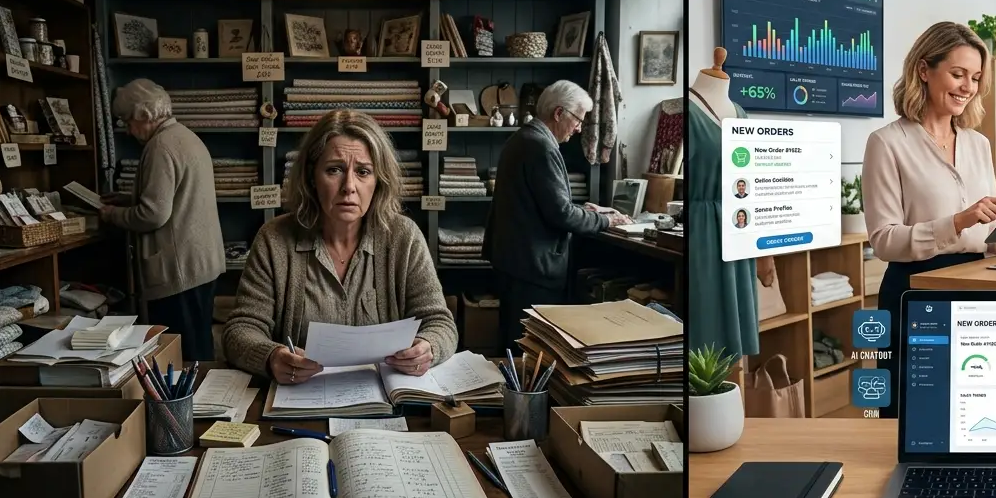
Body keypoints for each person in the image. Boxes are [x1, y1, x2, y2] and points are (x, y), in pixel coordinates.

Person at [863, 21, 996, 418]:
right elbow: (883, 240)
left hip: (977, 289)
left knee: (977, 414)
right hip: (915, 294)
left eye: (975, 77)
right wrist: (956, 221)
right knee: (914, 416)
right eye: (957, 74)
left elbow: (986, 239)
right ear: (923, 70)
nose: (967, 86)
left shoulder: (979, 143)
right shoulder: (886, 143)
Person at [223, 110, 457, 384]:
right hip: (299, 400)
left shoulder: (403, 237)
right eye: (334, 169)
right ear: (312, 177)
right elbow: (240, 330)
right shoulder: (274, 239)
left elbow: (440, 323)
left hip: (385, 401)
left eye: (363, 172)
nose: (349, 186)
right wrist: (271, 356)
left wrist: (428, 346)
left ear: (378, 180)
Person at [484, 80, 632, 350]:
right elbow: (561, 214)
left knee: (514, 341)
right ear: (558, 113)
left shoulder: (522, 138)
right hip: (533, 266)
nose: (578, 128)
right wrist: (607, 220)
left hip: (515, 261)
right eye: (578, 120)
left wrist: (587, 210)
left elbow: (537, 203)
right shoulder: (541, 147)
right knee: (531, 348)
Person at [100, 79, 224, 362]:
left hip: (178, 270)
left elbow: (153, 214)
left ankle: (189, 404)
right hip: (198, 264)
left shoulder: (160, 147)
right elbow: (177, 197)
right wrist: (126, 199)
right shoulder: (184, 137)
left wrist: (111, 214)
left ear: (144, 114)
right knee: (198, 346)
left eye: (128, 120)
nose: (128, 129)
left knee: (180, 355)